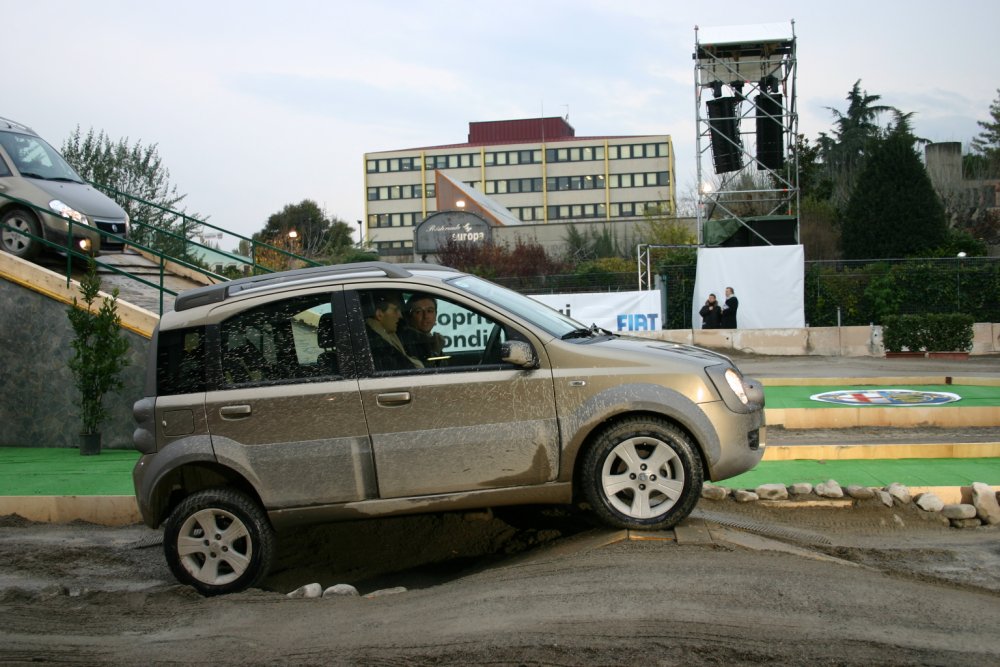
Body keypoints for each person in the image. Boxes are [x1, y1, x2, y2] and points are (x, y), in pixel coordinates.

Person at [364, 291, 424, 371]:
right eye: (395, 310)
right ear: (379, 314)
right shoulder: (375, 343)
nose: (400, 316)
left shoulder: (388, 335)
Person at [400, 293, 446, 366]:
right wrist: (436, 351)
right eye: (418, 312)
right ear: (409, 317)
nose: (425, 316)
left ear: (436, 314)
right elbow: (422, 373)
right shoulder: (408, 341)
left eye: (430, 311)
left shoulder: (427, 338)